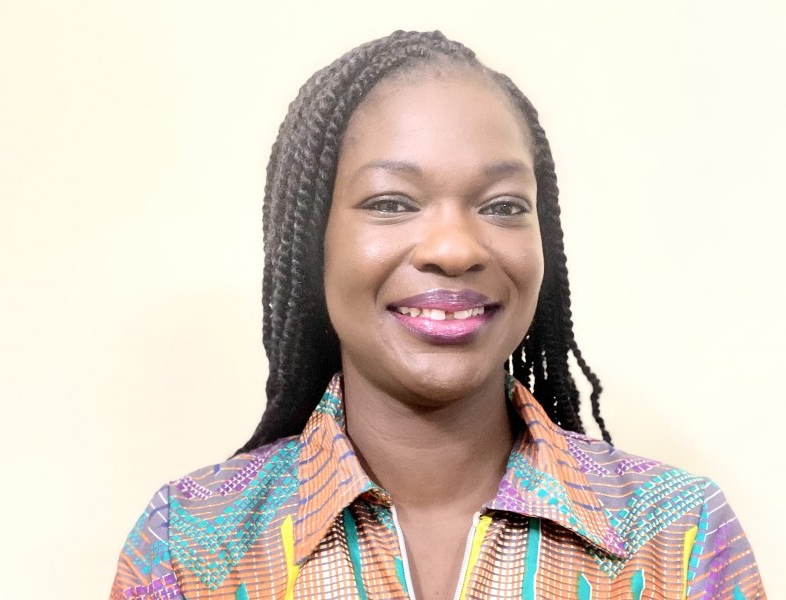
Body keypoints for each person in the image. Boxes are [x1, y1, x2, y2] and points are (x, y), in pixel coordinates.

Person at [110, 30, 765, 599]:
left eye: (503, 205)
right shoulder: (190, 544)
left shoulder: (676, 536)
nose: (454, 249)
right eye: (392, 203)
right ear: (312, 242)